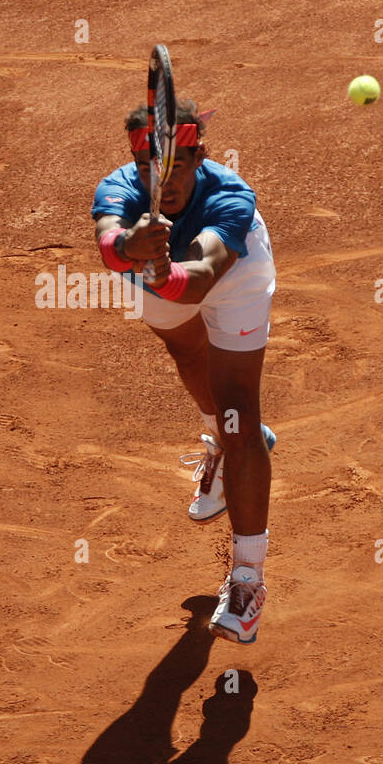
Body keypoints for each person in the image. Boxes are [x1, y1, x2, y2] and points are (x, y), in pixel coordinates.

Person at [91, 99, 274, 644]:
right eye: (150, 167)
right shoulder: (118, 189)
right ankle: (223, 440)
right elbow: (107, 241)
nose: (161, 180)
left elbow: (199, 280)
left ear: (200, 158)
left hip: (233, 276)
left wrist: (161, 269)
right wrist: (127, 244)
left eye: (176, 165)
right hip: (154, 272)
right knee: (187, 353)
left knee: (238, 409)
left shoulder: (232, 198)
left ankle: (248, 583)